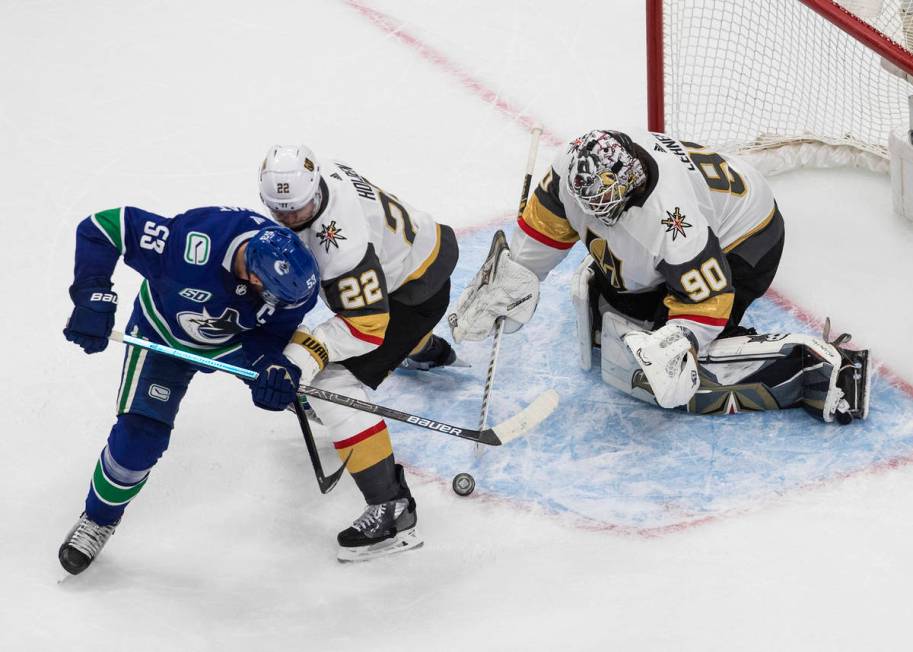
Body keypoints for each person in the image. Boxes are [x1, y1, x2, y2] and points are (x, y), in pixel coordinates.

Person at [449, 128, 870, 424]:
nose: (598, 215)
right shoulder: (572, 169)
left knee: (670, 369)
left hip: (746, 240)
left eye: (606, 205)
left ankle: (816, 368)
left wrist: (680, 340)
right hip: (695, 227)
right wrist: (513, 277)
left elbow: (707, 300)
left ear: (629, 182)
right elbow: (545, 229)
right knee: (624, 324)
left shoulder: (671, 222)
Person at [59, 206, 320, 575]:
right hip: (162, 336)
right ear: (250, 272)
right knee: (139, 440)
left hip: (233, 343)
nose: (273, 304)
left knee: (295, 376)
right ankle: (99, 518)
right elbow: (104, 226)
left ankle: (304, 399)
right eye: (268, 294)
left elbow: (268, 338)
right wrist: (92, 297)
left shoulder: (295, 287)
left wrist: (272, 366)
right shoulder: (191, 243)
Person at [257, 145, 460, 561]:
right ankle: (424, 350)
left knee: (332, 382)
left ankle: (392, 508)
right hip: (412, 258)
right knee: (333, 343)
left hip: (415, 294)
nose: (289, 219)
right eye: (281, 211)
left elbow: (368, 326)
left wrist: (303, 358)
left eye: (298, 211)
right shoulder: (311, 174)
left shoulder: (342, 245)